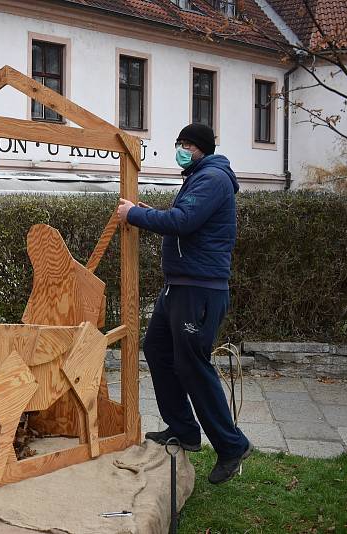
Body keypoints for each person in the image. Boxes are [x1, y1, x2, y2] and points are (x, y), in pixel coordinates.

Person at [116, 123, 252, 484]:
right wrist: (147, 211)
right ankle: (184, 430)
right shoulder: (198, 177)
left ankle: (231, 445)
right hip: (179, 285)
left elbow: (184, 221)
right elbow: (186, 221)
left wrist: (134, 215)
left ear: (203, 148)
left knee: (192, 364)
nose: (181, 149)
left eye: (187, 144)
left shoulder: (212, 178)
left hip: (199, 288)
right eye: (179, 143)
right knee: (158, 349)